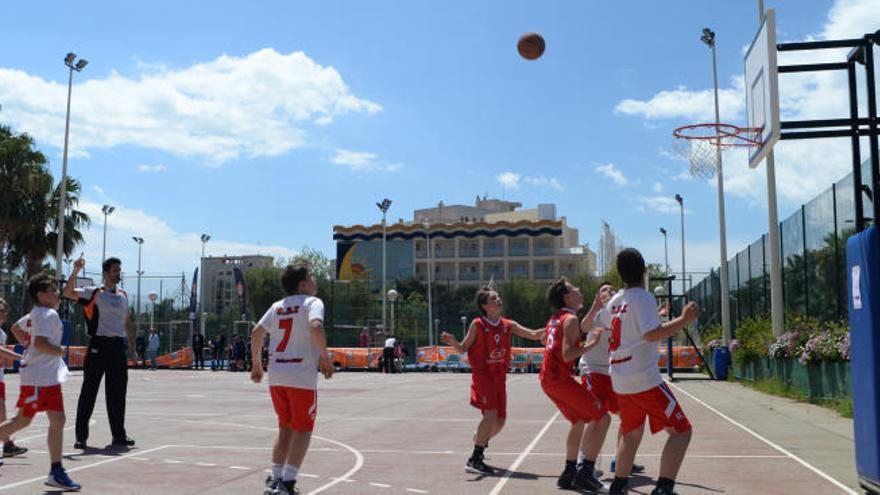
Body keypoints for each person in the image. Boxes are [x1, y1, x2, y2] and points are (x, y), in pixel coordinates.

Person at [606, 249, 700, 495]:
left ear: (620, 275)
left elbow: (628, 330)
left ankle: (618, 486)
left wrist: (654, 318)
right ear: (645, 271)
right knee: (682, 431)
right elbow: (650, 335)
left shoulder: (615, 302)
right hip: (643, 378)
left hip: (620, 377)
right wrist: (683, 319)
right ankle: (664, 487)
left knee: (631, 433)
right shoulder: (643, 297)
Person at [440, 286, 545, 475]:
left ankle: (480, 438)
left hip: (499, 377)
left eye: (499, 297)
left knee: (500, 421)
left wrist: (554, 327)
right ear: (485, 306)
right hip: (483, 375)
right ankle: (475, 459)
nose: (499, 300)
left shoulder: (508, 324)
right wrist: (453, 341)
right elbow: (463, 348)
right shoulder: (478, 324)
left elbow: (533, 334)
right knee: (490, 414)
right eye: (494, 298)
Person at [250, 263, 333, 495]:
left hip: (277, 376)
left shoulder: (277, 306)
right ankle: (287, 483)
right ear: (303, 284)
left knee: (284, 427)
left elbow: (256, 332)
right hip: (301, 375)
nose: (315, 281)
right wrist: (325, 358)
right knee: (303, 429)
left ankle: (275, 479)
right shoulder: (312, 303)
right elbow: (316, 327)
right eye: (312, 278)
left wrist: (257, 365)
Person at [0, 273, 80, 489]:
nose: (57, 293)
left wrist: (30, 349)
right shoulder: (48, 315)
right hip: (38, 377)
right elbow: (43, 344)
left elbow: (17, 328)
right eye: (53, 290)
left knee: (58, 420)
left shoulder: (36, 314)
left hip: (45, 377)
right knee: (21, 421)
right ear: (42, 295)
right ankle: (56, 470)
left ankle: (56, 470)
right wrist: (60, 351)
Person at [539, 277, 608, 492]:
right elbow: (568, 354)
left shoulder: (555, 318)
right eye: (575, 289)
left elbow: (544, 339)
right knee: (603, 418)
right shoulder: (570, 319)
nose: (579, 290)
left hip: (548, 378)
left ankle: (568, 473)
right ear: (567, 297)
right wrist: (592, 344)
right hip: (559, 379)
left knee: (578, 421)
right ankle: (585, 474)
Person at [63, 255, 136, 450]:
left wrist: (133, 348)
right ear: (106, 273)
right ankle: (81, 437)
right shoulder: (93, 292)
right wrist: (76, 270)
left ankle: (119, 435)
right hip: (98, 346)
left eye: (119, 270)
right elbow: (68, 292)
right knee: (89, 391)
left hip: (118, 347)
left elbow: (127, 322)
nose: (118, 273)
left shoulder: (123, 295)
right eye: (114, 270)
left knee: (118, 393)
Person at [577, 282, 645, 476]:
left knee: (628, 417)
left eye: (611, 289)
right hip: (591, 369)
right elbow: (584, 326)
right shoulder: (597, 314)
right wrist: (596, 305)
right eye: (604, 289)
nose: (609, 291)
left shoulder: (619, 314)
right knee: (594, 415)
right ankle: (581, 462)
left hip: (612, 373)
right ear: (598, 296)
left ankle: (620, 459)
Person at [0, 299, 26, 458]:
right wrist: (21, 357)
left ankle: (7, 444)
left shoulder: (2, 334)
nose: (3, 313)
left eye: (4, 311)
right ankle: (7, 443)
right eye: (0, 310)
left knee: (1, 411)